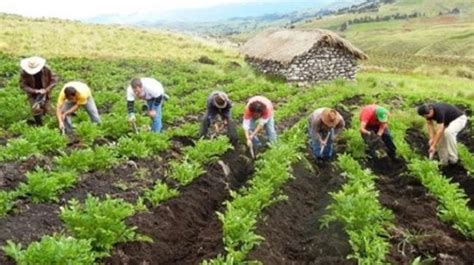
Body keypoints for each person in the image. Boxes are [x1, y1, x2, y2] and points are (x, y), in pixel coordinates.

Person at [19, 56, 58, 125]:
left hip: (45, 92)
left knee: (48, 110)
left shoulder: (46, 69)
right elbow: (23, 85)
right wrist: (35, 91)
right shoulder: (24, 72)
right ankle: (39, 125)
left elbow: (54, 80)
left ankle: (51, 123)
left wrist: (47, 89)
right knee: (36, 109)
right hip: (33, 94)